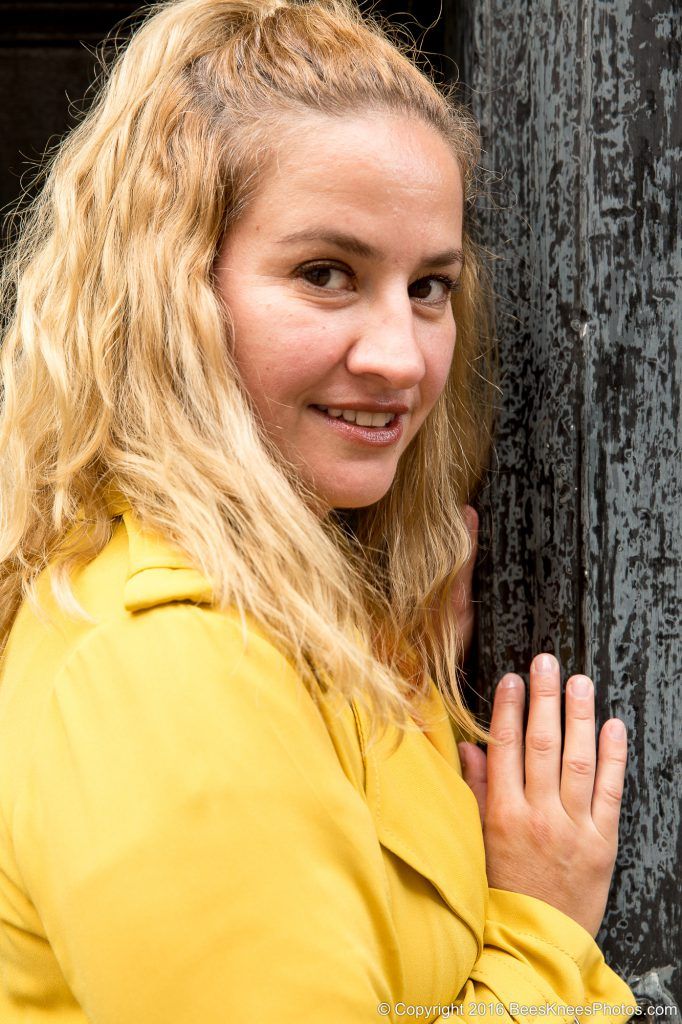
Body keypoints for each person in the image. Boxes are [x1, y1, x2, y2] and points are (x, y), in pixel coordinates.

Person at [0, 0, 636, 1020]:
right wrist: (543, 935)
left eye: (430, 286)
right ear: (170, 291)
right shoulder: (165, 674)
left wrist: (395, 663)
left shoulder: (297, 615)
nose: (401, 356)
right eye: (325, 274)